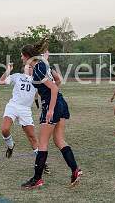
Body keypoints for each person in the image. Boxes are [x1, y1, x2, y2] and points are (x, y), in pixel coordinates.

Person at [20, 38, 82, 189]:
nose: (21, 58)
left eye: (22, 56)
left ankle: (37, 179)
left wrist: (50, 109)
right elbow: (58, 81)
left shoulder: (39, 69)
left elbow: (54, 88)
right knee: (59, 140)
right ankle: (75, 170)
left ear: (27, 56)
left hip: (52, 105)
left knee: (42, 143)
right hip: (60, 102)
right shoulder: (42, 65)